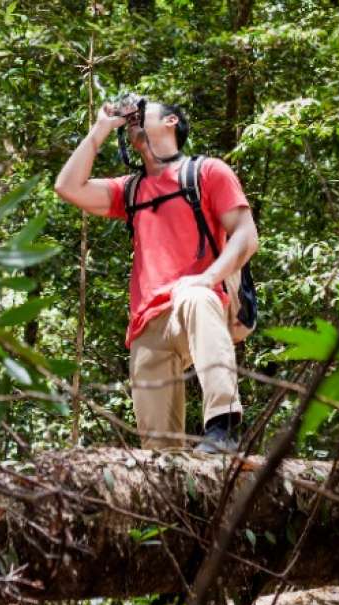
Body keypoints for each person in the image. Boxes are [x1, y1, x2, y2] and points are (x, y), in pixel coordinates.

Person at [53, 97, 258, 453]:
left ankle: (223, 425)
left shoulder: (207, 172)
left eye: (140, 112)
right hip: (148, 322)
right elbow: (68, 187)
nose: (132, 117)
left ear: (170, 122)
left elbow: (245, 235)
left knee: (195, 297)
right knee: (159, 454)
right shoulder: (131, 190)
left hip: (196, 302)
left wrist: (208, 277)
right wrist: (101, 127)